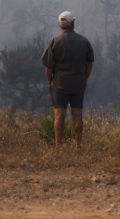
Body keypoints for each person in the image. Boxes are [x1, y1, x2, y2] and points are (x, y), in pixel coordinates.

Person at [41, 10, 94, 147]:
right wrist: (84, 78)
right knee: (77, 115)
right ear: (73, 23)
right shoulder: (83, 41)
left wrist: (50, 82)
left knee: (59, 116)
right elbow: (89, 64)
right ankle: (78, 146)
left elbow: (48, 67)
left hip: (59, 84)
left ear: (60, 24)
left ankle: (58, 146)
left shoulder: (54, 41)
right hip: (78, 83)